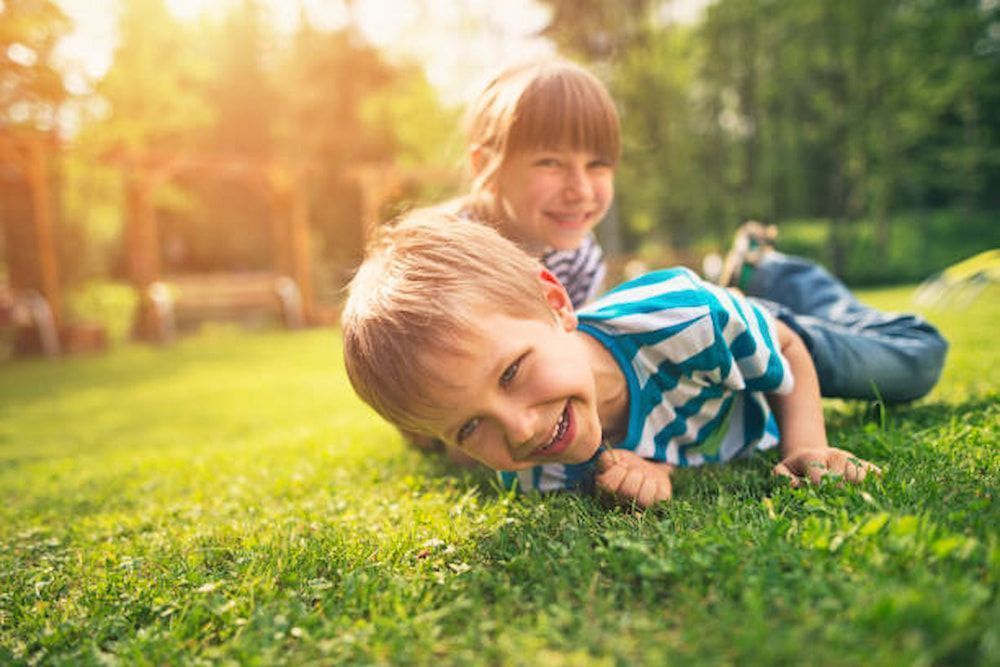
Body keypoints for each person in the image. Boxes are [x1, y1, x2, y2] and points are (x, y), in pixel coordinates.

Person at [342, 211, 891, 508]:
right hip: (724, 372)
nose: (521, 429)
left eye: (511, 372)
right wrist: (654, 470)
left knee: (915, 364)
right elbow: (666, 441)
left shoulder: (687, 318)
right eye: (469, 427)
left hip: (761, 335)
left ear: (556, 304)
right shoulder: (534, 472)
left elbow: (787, 353)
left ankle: (769, 271)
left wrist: (806, 447)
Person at [404, 58, 620, 460]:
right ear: (486, 165)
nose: (581, 189)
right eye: (550, 163)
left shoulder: (580, 254)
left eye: (597, 165)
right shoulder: (450, 245)